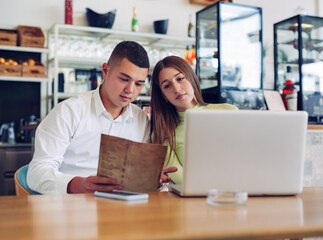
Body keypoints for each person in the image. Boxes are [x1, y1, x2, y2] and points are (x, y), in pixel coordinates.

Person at [27, 41, 176, 195]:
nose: (130, 90)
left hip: (123, 211)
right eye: (124, 79)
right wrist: (78, 184)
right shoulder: (69, 111)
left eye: (138, 84)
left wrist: (151, 179)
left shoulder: (141, 119)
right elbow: (37, 173)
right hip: (73, 206)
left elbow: (140, 179)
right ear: (105, 71)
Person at [150, 55, 238, 184]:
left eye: (180, 79)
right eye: (167, 86)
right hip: (197, 200)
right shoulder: (163, 133)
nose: (176, 88)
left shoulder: (229, 112)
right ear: (163, 95)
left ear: (191, 78)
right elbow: (183, 182)